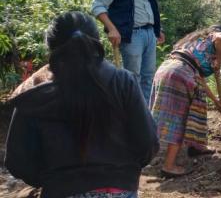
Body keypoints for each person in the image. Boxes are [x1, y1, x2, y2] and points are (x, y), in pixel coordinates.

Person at [5, 11, 159, 197]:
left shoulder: (33, 95)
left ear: (51, 47)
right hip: (120, 189)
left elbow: (17, 161)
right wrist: (123, 173)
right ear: (96, 42)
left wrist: (53, 180)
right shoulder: (123, 82)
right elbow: (148, 143)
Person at [149, 25, 221, 177]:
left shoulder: (194, 42)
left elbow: (201, 82)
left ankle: (196, 146)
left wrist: (217, 102)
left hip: (167, 70)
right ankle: (169, 166)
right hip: (180, 73)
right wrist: (219, 60)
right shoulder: (218, 37)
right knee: (179, 117)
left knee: (164, 113)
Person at [91, 0, 165, 103]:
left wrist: (158, 29)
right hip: (132, 35)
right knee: (132, 77)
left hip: (149, 33)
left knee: (148, 76)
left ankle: (145, 115)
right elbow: (97, 5)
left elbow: (149, 6)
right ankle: (132, 114)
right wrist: (111, 28)